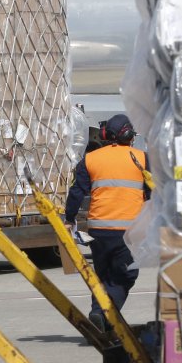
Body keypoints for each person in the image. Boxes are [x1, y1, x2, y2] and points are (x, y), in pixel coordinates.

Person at [64, 114, 150, 330]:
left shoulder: (91, 158)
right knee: (125, 275)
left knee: (102, 277)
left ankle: (99, 314)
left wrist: (69, 219)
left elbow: (76, 192)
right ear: (129, 135)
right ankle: (104, 314)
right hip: (129, 231)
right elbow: (153, 194)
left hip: (98, 231)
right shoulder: (141, 158)